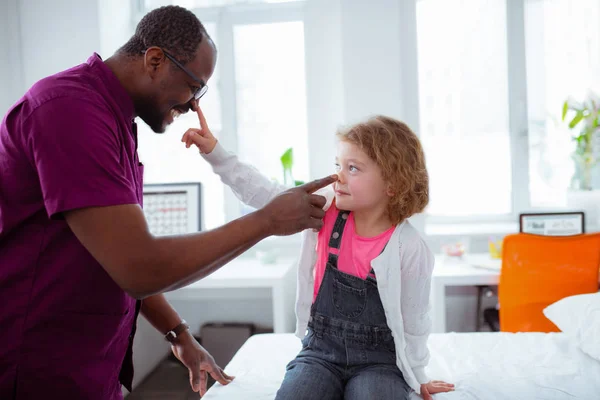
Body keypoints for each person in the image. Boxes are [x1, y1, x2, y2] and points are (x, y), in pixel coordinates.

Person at [0, 5, 336, 399]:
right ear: (155, 60)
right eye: (194, 87)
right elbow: (139, 267)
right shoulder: (68, 110)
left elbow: (107, 254)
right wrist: (266, 222)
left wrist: (177, 332)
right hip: (39, 367)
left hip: (90, 367)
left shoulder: (114, 120)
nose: (194, 105)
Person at [182, 107, 455, 400]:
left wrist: (418, 377)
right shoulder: (324, 207)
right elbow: (267, 196)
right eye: (338, 164)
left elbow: (415, 321)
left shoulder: (410, 247)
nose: (338, 175)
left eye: (353, 168)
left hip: (380, 362)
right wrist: (216, 153)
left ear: (392, 183)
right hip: (320, 353)